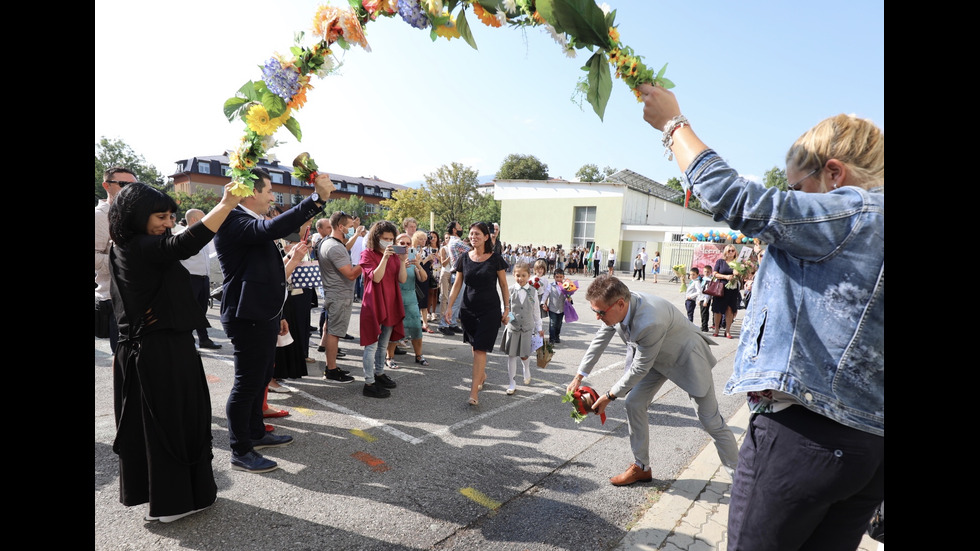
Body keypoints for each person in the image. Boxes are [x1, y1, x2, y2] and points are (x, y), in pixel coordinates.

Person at [639, 82, 883, 550]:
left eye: (797, 191)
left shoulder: (852, 211)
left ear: (834, 174)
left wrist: (674, 126)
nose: (795, 203)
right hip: (869, 450)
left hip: (803, 435)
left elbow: (736, 199)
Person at [108, 181, 241, 522]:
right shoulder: (138, 245)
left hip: (161, 346)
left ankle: (176, 496)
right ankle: (172, 503)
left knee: (177, 422)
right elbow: (186, 243)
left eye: (171, 216)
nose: (168, 223)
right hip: (157, 350)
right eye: (160, 216)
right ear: (136, 216)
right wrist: (226, 204)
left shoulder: (131, 244)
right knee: (168, 425)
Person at [213, 167, 334, 474]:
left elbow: (265, 272)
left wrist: (278, 312)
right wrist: (316, 198)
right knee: (247, 384)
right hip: (246, 314)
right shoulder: (233, 218)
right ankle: (240, 450)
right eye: (268, 191)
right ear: (251, 192)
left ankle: (255, 432)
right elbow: (273, 229)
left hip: (262, 313)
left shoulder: (249, 220)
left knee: (259, 379)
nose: (271, 197)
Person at [566, 275, 738, 487]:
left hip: (686, 359)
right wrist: (579, 376)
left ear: (620, 303)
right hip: (656, 359)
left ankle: (742, 481)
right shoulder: (617, 309)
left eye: (601, 312)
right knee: (634, 403)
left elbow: (640, 367)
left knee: (711, 422)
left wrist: (609, 396)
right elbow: (600, 340)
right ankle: (642, 467)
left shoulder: (649, 321)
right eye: (595, 311)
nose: (597, 317)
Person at [444, 222, 510, 406]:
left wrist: (507, 309)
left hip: (490, 310)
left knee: (480, 348)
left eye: (477, 234)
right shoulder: (464, 258)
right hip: (468, 310)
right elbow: (457, 284)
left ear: (486, 237)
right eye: (471, 234)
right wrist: (449, 307)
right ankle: (482, 374)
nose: (473, 237)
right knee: (475, 346)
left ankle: (473, 392)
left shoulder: (495, 258)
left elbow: (504, 285)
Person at [358, 220, 405, 398]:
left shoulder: (394, 255)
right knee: (371, 344)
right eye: (385, 238)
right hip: (374, 302)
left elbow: (401, 279)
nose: (389, 242)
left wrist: (401, 260)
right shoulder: (367, 254)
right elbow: (376, 278)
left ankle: (379, 373)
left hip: (391, 301)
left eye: (392, 239)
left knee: (383, 343)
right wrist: (385, 257)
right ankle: (369, 383)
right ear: (376, 238)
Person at [96, 166, 137, 354]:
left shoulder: (134, 214)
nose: (129, 189)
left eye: (134, 186)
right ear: (106, 185)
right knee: (123, 361)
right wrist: (123, 262)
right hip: (116, 300)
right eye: (123, 184)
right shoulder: (100, 216)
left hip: (139, 298)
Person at [316, 211, 360, 383]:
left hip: (334, 293)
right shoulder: (334, 246)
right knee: (334, 333)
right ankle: (331, 370)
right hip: (339, 295)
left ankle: (331, 367)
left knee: (331, 330)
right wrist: (365, 262)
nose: (351, 229)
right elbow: (350, 274)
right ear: (340, 227)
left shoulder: (328, 242)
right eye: (349, 227)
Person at [385, 232, 429, 368]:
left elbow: (423, 278)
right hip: (395, 298)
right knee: (393, 329)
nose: (405, 245)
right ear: (395, 244)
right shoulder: (390, 257)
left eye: (407, 243)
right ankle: (389, 357)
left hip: (411, 297)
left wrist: (419, 265)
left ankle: (419, 355)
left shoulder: (413, 255)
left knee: (416, 328)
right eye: (401, 243)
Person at [499, 262, 543, 395]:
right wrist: (508, 318)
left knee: (524, 355)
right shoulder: (510, 290)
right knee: (512, 356)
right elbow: (505, 307)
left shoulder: (533, 291)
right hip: (513, 327)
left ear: (529, 275)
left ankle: (526, 369)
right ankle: (512, 382)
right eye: (518, 275)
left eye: (524, 275)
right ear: (513, 275)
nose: (521, 278)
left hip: (527, 328)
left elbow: (536, 311)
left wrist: (539, 327)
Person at [438, 220, 469, 336]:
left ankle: (452, 323)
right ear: (455, 230)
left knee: (457, 301)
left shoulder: (454, 241)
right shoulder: (456, 242)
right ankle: (443, 324)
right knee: (455, 302)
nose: (462, 229)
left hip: (458, 274)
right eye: (460, 227)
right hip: (458, 275)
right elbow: (473, 250)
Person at [711, 244, 740, 339]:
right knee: (718, 310)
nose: (731, 252)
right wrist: (725, 277)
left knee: (730, 309)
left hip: (732, 288)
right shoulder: (721, 261)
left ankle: (727, 331)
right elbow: (715, 273)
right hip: (721, 287)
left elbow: (743, 275)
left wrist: (738, 273)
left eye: (733, 250)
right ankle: (716, 329)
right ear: (725, 252)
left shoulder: (738, 263)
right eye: (729, 250)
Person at [540, 268, 572, 344]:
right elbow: (545, 295)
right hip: (552, 308)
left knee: (559, 323)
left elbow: (569, 297)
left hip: (561, 309)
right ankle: (552, 338)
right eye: (557, 277)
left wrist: (569, 298)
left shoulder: (566, 286)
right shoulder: (550, 286)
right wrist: (543, 303)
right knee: (552, 323)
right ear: (554, 277)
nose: (559, 279)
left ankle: (557, 336)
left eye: (560, 277)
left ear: (563, 277)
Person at [699, 264, 713, 332]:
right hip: (701, 298)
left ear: (711, 272)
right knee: (702, 312)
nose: (706, 273)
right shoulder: (703, 279)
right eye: (705, 271)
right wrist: (699, 299)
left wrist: (706, 301)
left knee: (704, 313)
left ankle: (704, 326)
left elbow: (708, 292)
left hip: (705, 299)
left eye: (708, 272)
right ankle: (703, 325)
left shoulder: (709, 280)